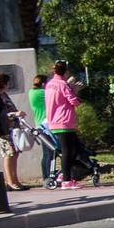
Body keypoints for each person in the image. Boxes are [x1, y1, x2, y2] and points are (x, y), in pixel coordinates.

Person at [45, 61, 83, 189]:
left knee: (69, 150)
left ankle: (63, 174)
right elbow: (74, 101)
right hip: (65, 121)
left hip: (53, 120)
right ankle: (67, 180)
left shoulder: (49, 84)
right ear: (66, 72)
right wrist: (76, 90)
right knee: (69, 151)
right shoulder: (63, 85)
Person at [0, 72, 27, 190]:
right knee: (8, 154)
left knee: (15, 154)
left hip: (13, 128)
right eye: (6, 82)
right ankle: (10, 181)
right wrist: (14, 114)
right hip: (4, 129)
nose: (8, 85)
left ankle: (16, 180)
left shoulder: (4, 95)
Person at [27, 74, 53, 185]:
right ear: (43, 84)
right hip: (45, 125)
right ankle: (47, 177)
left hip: (40, 125)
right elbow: (55, 94)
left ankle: (46, 176)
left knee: (47, 152)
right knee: (49, 152)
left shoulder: (31, 92)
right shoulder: (42, 93)